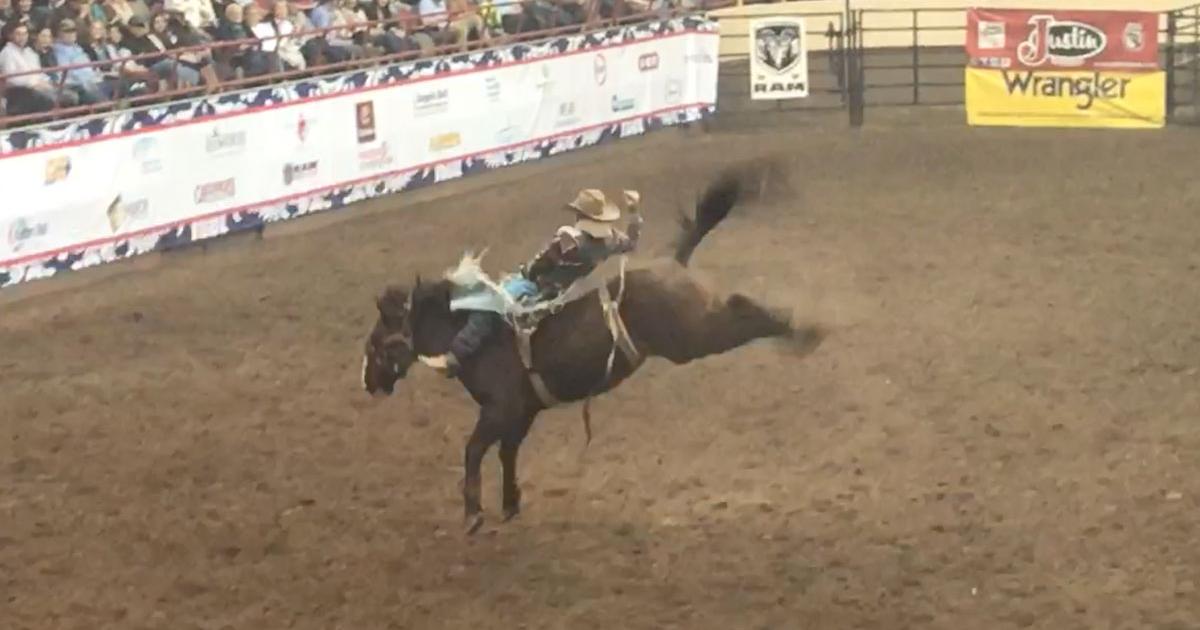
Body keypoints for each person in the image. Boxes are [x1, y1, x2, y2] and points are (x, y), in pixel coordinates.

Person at [423, 188, 642, 376]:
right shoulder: (609, 241)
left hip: (538, 290)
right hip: (569, 293)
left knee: (489, 305)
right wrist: (633, 211)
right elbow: (631, 243)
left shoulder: (569, 241)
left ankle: (455, 357)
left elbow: (536, 267)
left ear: (580, 215)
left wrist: (524, 273)